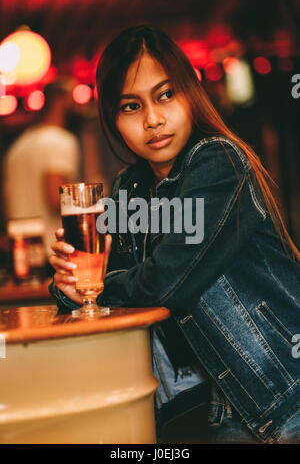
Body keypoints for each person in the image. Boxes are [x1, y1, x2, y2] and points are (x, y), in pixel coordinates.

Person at [48, 25, 300, 444]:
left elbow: (166, 284)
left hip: (282, 391)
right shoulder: (130, 187)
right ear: (113, 117)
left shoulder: (218, 161)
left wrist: (97, 286)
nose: (153, 119)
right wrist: (68, 285)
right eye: (131, 106)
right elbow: (120, 298)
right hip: (201, 404)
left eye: (166, 95)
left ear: (190, 93)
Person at [3, 79, 81, 258]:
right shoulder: (58, 141)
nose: (80, 105)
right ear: (61, 100)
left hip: (21, 251)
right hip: (53, 249)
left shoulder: (20, 145)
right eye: (74, 97)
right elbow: (56, 198)